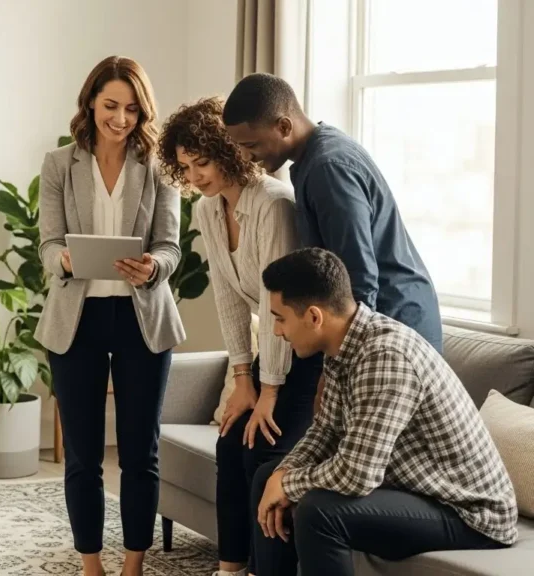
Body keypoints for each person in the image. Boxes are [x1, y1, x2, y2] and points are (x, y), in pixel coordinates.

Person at [251, 247, 517, 576]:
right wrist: (283, 475)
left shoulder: (386, 356)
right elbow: (326, 430)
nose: (278, 331)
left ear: (314, 317)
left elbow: (357, 474)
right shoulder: (342, 345)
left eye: (280, 318)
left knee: (319, 511)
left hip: (469, 513)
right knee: (268, 476)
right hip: (418, 492)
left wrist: (290, 484)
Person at [157, 96, 321, 576]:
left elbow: (279, 301)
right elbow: (228, 299)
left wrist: (270, 390)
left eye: (202, 162)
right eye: (185, 167)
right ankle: (231, 568)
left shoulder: (273, 204)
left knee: (263, 452)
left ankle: (264, 568)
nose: (195, 177)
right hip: (266, 353)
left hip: (302, 355)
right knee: (230, 443)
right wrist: (243, 378)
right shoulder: (208, 211)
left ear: (228, 149)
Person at [35, 55, 185, 576]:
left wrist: (153, 268)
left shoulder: (161, 168)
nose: (120, 119)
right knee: (82, 455)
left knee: (140, 451)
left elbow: (170, 246)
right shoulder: (58, 164)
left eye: (131, 108)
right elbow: (48, 244)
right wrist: (65, 259)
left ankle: (134, 564)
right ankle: (91, 564)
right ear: (90, 104)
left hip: (142, 319)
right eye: (110, 106)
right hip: (77, 320)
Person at [221, 73, 443, 355]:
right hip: (388, 322)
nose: (244, 156)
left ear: (284, 126)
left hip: (395, 326)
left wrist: (339, 363)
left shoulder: (328, 168)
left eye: (251, 145)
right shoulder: (315, 158)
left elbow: (358, 277)